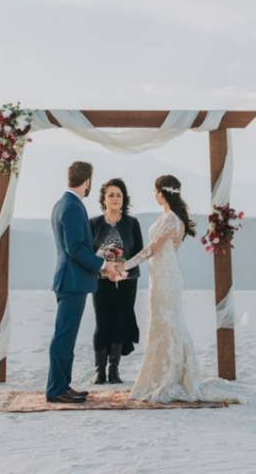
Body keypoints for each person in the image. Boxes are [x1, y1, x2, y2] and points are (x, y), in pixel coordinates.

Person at [118, 175, 214, 402]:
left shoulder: (171, 218)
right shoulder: (170, 216)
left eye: (155, 190)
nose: (154, 194)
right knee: (162, 322)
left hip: (166, 276)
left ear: (163, 192)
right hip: (161, 274)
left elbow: (153, 248)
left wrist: (127, 265)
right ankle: (164, 372)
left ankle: (169, 376)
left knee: (167, 322)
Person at [45, 161, 124, 404]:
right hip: (72, 282)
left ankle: (62, 386)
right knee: (64, 337)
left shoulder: (63, 204)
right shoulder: (71, 206)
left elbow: (78, 247)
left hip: (73, 280)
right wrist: (103, 266)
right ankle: (56, 390)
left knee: (65, 337)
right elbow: (75, 249)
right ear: (87, 181)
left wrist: (102, 256)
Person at [89, 178, 143, 384]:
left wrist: (123, 268)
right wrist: (105, 268)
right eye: (111, 195)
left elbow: (139, 252)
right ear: (103, 198)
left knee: (120, 322)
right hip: (101, 280)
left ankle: (114, 371)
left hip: (127, 281)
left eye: (119, 195)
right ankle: (99, 371)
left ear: (124, 199)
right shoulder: (93, 223)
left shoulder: (132, 223)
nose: (115, 198)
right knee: (102, 323)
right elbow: (88, 252)